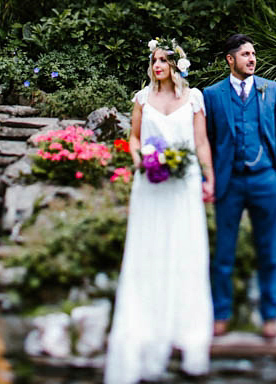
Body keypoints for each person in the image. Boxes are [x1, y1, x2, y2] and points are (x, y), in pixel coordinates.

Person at [104, 39, 215, 384]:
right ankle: (145, 318)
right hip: (150, 182)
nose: (157, 66)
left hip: (183, 182)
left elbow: (200, 143)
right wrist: (140, 160)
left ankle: (186, 324)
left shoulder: (193, 98)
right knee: (147, 248)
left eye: (163, 60)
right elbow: (134, 138)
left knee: (185, 248)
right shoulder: (141, 99)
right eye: (154, 60)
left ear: (176, 65)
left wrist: (209, 178)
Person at [203, 33, 276, 339]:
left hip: (265, 179)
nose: (252, 59)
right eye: (245, 54)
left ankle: (270, 316)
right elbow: (207, 140)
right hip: (229, 182)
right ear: (231, 59)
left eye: (253, 54)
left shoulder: (272, 89)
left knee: (268, 251)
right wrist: (210, 178)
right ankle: (221, 314)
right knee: (224, 252)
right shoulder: (212, 95)